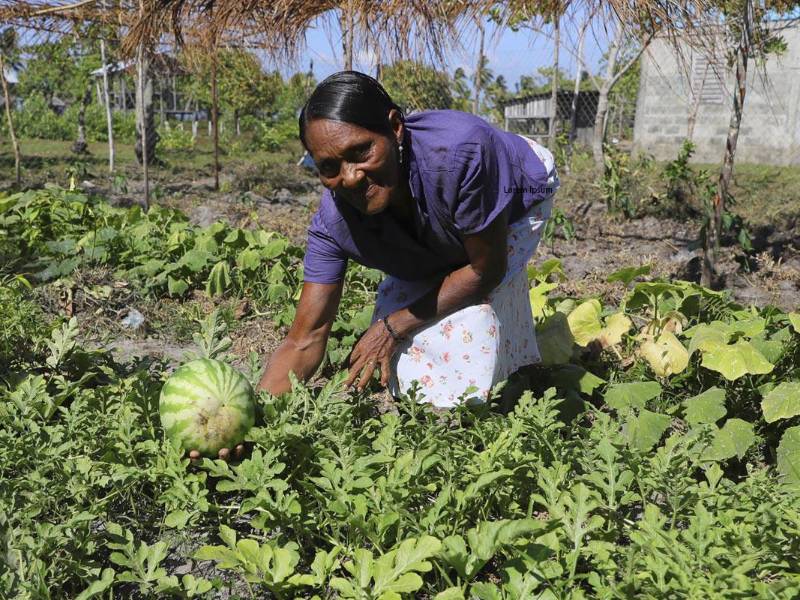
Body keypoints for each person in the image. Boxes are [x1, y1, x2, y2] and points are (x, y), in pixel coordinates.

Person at [258, 70, 559, 409]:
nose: (351, 177)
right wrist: (248, 413)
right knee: (411, 344)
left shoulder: (463, 152)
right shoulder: (333, 224)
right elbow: (304, 339)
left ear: (395, 127)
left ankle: (493, 393)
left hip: (515, 190)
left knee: (468, 323)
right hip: (441, 225)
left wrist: (392, 327)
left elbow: (483, 269)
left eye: (360, 152)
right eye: (329, 167)